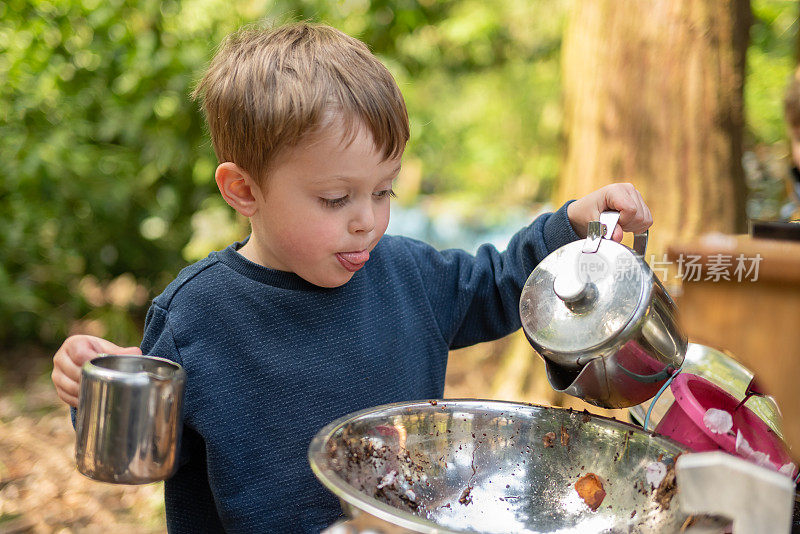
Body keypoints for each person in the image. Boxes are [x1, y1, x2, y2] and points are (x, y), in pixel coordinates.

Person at [50, 22, 653, 533]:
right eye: (336, 198)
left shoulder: (411, 274)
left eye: (384, 190)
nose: (368, 221)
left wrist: (571, 226)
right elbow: (136, 454)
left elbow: (504, 286)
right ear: (244, 189)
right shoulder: (198, 316)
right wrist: (96, 392)